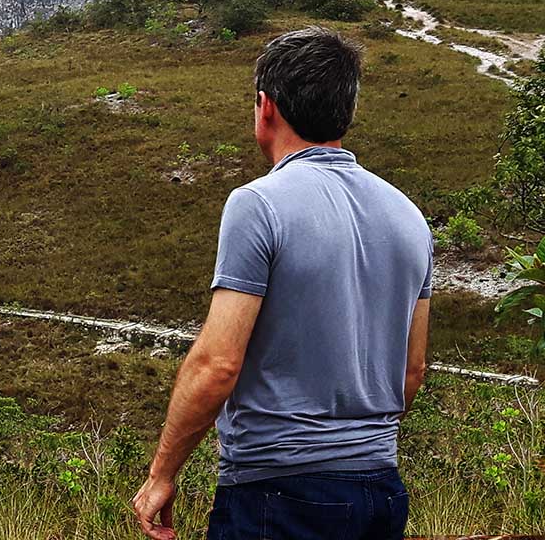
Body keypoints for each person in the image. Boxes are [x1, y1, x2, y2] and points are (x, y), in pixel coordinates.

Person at [131, 27, 432, 540]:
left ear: (265, 107)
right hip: (380, 490)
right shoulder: (409, 217)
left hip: (279, 496)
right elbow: (412, 371)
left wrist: (162, 474)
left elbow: (218, 363)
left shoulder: (258, 204)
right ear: (347, 111)